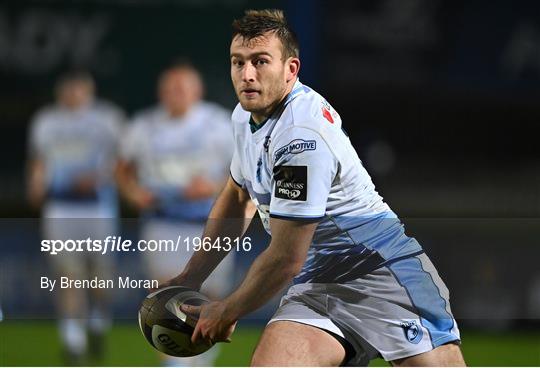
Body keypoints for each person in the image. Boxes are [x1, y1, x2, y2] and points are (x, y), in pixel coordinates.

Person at [159, 9, 466, 366]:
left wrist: (226, 310)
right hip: (317, 285)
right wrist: (189, 278)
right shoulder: (244, 116)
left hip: (383, 277)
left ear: (291, 69)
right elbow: (237, 196)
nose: (247, 74)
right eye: (237, 62)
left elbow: (287, 256)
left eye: (260, 62)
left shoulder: (300, 137)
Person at [116, 61, 235, 366]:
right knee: (165, 298)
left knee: (209, 297)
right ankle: (175, 361)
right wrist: (135, 194)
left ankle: (201, 355)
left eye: (183, 86)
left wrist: (211, 187)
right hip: (163, 222)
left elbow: (243, 174)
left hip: (210, 226)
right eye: (170, 87)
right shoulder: (144, 126)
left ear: (197, 90)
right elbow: (121, 170)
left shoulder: (219, 124)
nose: (176, 93)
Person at [27, 70, 124, 365]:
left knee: (100, 276)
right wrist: (35, 185)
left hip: (98, 208)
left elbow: (124, 162)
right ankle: (73, 336)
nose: (73, 94)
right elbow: (39, 161)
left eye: (79, 88)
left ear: (89, 90)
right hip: (61, 208)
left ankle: (97, 319)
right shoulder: (46, 121)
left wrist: (99, 176)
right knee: (67, 274)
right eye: (68, 89)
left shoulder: (108, 119)